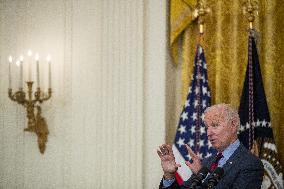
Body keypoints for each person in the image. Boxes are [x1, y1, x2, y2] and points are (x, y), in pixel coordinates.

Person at [157, 104, 264, 189]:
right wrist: (169, 175)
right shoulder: (206, 163)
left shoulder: (250, 163)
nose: (209, 133)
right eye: (207, 127)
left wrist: (204, 178)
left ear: (233, 125)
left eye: (215, 125)